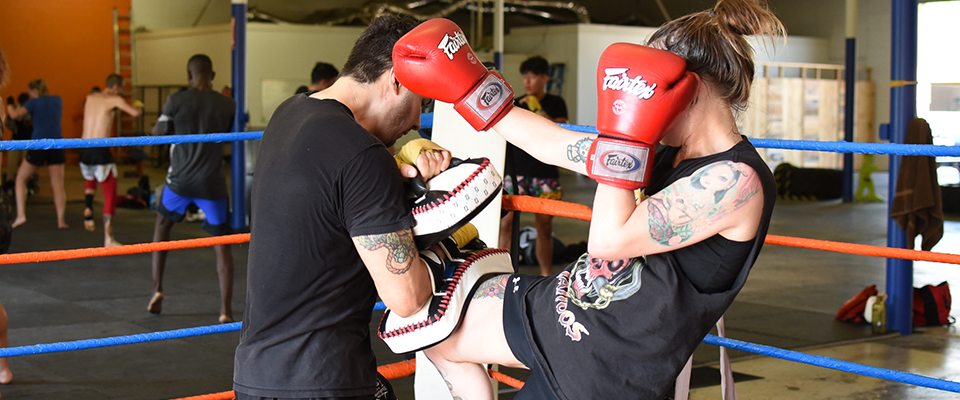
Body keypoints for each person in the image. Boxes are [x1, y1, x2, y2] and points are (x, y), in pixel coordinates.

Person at [391, 1, 783, 398]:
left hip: (604, 371)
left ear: (690, 87)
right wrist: (473, 86)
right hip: (558, 310)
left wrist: (627, 138)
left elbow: (609, 241)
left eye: (649, 87)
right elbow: (555, 144)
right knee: (435, 334)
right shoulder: (668, 152)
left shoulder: (736, 182)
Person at [233, 14, 450, 400]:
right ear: (397, 81)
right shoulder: (363, 156)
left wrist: (400, 186)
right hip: (324, 379)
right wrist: (445, 247)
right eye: (422, 102)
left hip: (258, 374)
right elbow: (407, 299)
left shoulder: (290, 114)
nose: (418, 120)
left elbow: (327, 201)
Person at [148, 54, 236, 324]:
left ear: (189, 75)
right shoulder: (227, 104)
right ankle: (225, 310)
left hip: (180, 182)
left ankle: (157, 289)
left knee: (162, 227)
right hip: (212, 183)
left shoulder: (176, 100)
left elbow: (157, 134)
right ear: (213, 75)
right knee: (221, 244)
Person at [500, 55, 569, 276]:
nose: (527, 82)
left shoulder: (556, 103)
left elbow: (562, 131)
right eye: (525, 77)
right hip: (516, 172)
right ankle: (502, 273)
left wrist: (538, 109)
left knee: (545, 228)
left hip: (544, 173)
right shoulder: (517, 103)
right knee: (505, 225)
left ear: (545, 78)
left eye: (533, 77)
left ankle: (546, 275)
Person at [80, 73, 143, 246]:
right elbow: (135, 113)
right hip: (100, 149)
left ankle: (89, 208)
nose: (122, 91)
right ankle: (109, 238)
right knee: (110, 192)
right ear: (115, 87)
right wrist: (138, 105)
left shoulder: (90, 97)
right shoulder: (115, 99)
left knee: (90, 177)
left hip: (83, 147)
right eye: (122, 88)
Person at [6, 79, 67, 229]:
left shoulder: (33, 102)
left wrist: (8, 103)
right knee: (58, 184)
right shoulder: (57, 100)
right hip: (57, 144)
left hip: (39, 144)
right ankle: (61, 221)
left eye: (29, 93)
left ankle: (21, 216)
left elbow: (14, 115)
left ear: (34, 91)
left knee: (20, 179)